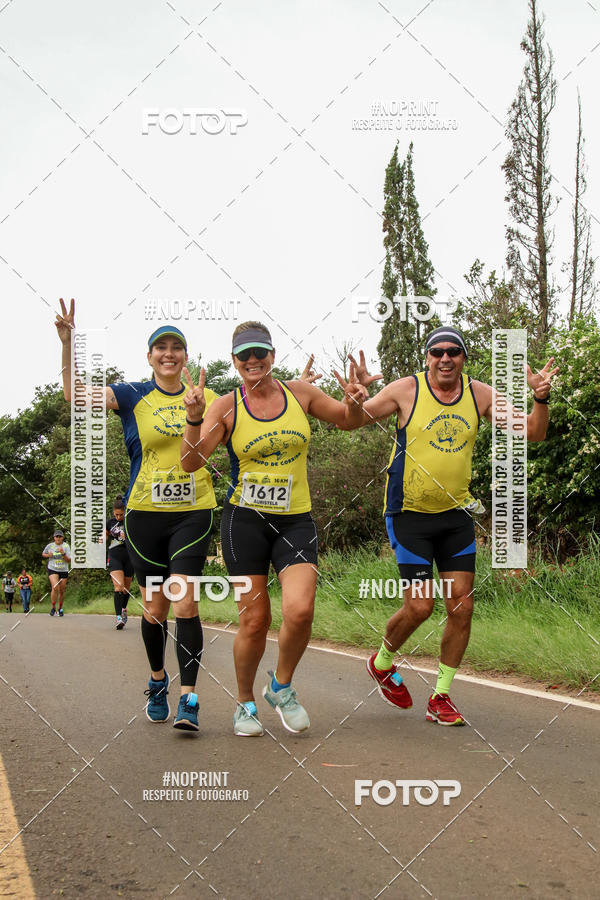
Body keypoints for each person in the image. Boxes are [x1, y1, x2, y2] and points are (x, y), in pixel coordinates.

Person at [345, 326, 558, 725]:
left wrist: (540, 397)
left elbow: (534, 431)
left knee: (462, 606)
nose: (445, 358)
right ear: (427, 357)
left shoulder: (480, 395)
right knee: (421, 607)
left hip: (455, 515)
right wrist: (355, 400)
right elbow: (352, 422)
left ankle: (440, 695)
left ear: (463, 358)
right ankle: (382, 661)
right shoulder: (405, 390)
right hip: (408, 514)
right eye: (437, 351)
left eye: (454, 352)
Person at [180, 321, 365, 737]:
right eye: (243, 355)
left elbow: (348, 421)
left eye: (259, 353)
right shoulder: (225, 407)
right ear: (234, 361)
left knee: (299, 612)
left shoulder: (300, 394)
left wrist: (353, 402)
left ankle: (280, 686)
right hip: (244, 522)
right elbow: (190, 463)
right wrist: (193, 419)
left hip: (295, 520)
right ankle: (245, 702)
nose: (252, 361)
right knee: (254, 620)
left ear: (272, 356)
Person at [55, 298, 219, 732]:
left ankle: (190, 699)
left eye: (176, 347)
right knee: (155, 608)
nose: (169, 354)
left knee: (185, 600)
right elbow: (74, 395)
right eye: (160, 348)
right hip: (143, 514)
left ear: (186, 356)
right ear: (149, 356)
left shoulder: (207, 396)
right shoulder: (131, 394)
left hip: (193, 511)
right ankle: (157, 679)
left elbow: (252, 420)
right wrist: (68, 343)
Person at [105, 496, 134, 630]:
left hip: (129, 556)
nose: (118, 517)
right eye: (116, 515)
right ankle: (118, 618)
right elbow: (104, 536)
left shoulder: (131, 520)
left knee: (125, 588)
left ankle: (123, 609)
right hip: (114, 555)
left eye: (121, 514)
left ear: (125, 511)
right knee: (119, 587)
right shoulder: (110, 523)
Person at [42, 531, 71, 616]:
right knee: (55, 587)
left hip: (63, 569)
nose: (58, 538)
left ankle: (60, 608)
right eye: (56, 536)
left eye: (60, 536)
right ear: (54, 537)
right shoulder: (50, 546)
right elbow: (43, 554)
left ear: (62, 537)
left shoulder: (66, 546)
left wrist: (63, 553)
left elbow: (69, 560)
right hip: (52, 569)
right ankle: (53, 607)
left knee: (62, 590)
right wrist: (48, 555)